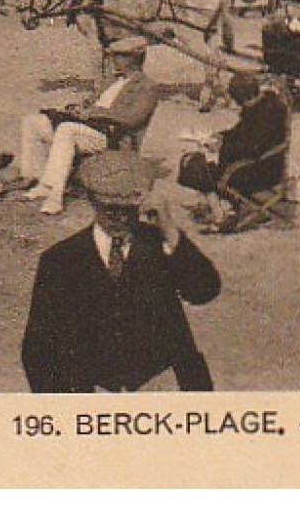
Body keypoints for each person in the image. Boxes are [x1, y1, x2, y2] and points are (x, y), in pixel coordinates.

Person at [21, 150, 221, 393]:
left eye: (128, 211)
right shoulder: (60, 261)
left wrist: (169, 227)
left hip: (165, 388)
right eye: (110, 210)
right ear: (92, 202)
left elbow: (204, 291)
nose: (119, 220)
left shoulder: (160, 244)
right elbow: (37, 349)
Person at [16, 36, 159, 216]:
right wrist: (82, 108)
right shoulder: (112, 80)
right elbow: (94, 101)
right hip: (90, 127)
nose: (113, 60)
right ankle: (37, 178)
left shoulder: (147, 87)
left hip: (112, 137)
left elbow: (133, 119)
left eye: (118, 56)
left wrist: (97, 112)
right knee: (33, 122)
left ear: (133, 59)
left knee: (67, 130)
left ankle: (54, 194)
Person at [178, 73, 290, 203]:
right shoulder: (264, 105)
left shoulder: (264, 115)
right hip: (262, 162)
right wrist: (223, 136)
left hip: (261, 170)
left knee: (198, 172)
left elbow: (251, 148)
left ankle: (221, 209)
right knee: (199, 166)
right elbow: (243, 132)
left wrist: (223, 146)